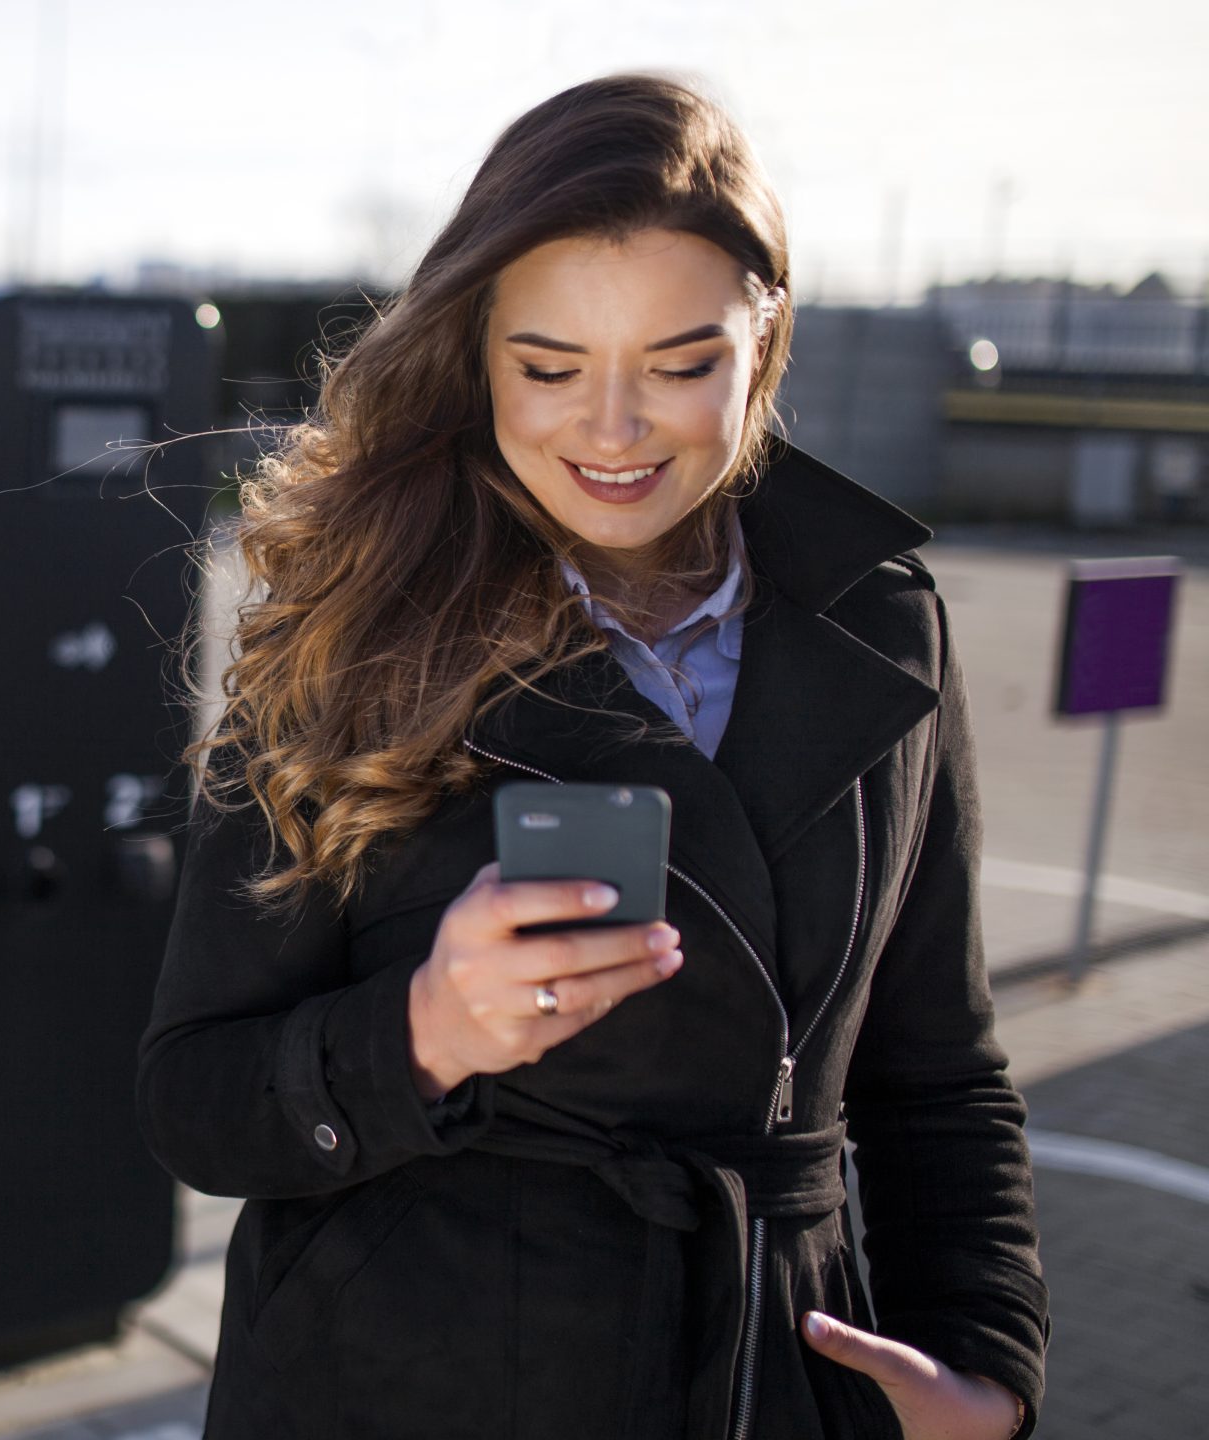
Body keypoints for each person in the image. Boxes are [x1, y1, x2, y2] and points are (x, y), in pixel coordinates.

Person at [135, 73, 1047, 1440]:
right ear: (478, 348)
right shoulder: (348, 628)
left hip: (766, 1381)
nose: (610, 433)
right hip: (397, 1387)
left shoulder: (884, 623)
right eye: (548, 368)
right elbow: (194, 1101)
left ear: (767, 337)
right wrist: (421, 1037)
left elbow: (939, 1072)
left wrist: (986, 1371)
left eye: (682, 365)